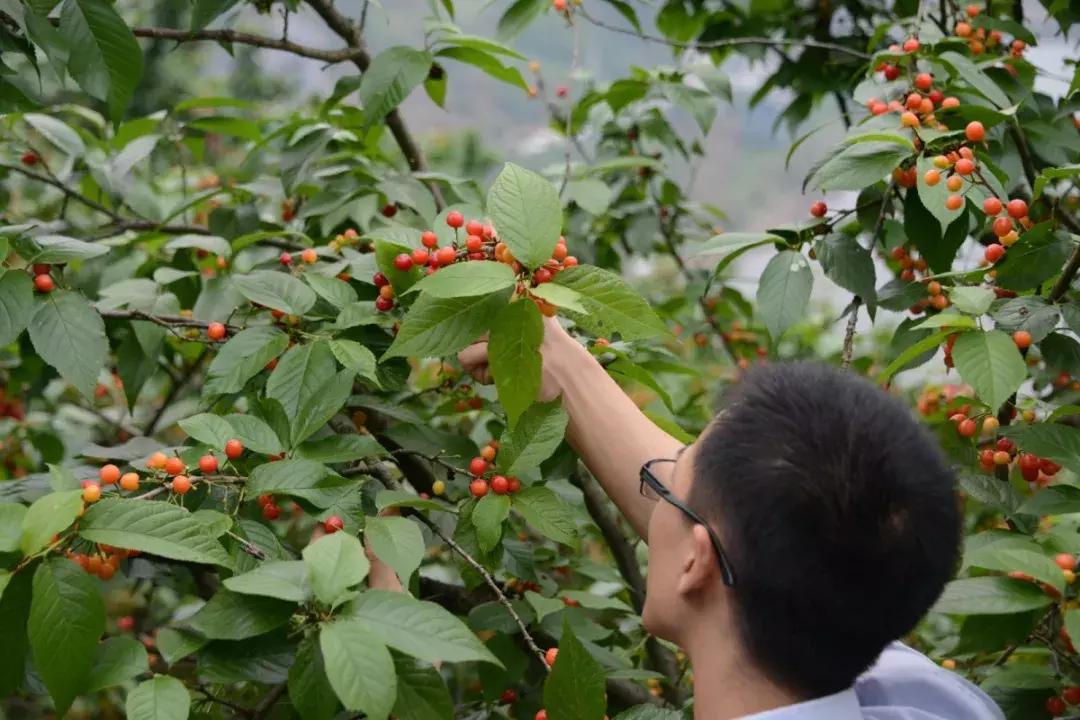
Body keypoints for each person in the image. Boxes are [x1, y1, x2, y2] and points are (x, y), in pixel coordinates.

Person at [458, 316, 1004, 720]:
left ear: (696, 562)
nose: (660, 484)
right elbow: (747, 518)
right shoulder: (933, 701)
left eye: (668, 484)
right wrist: (557, 362)